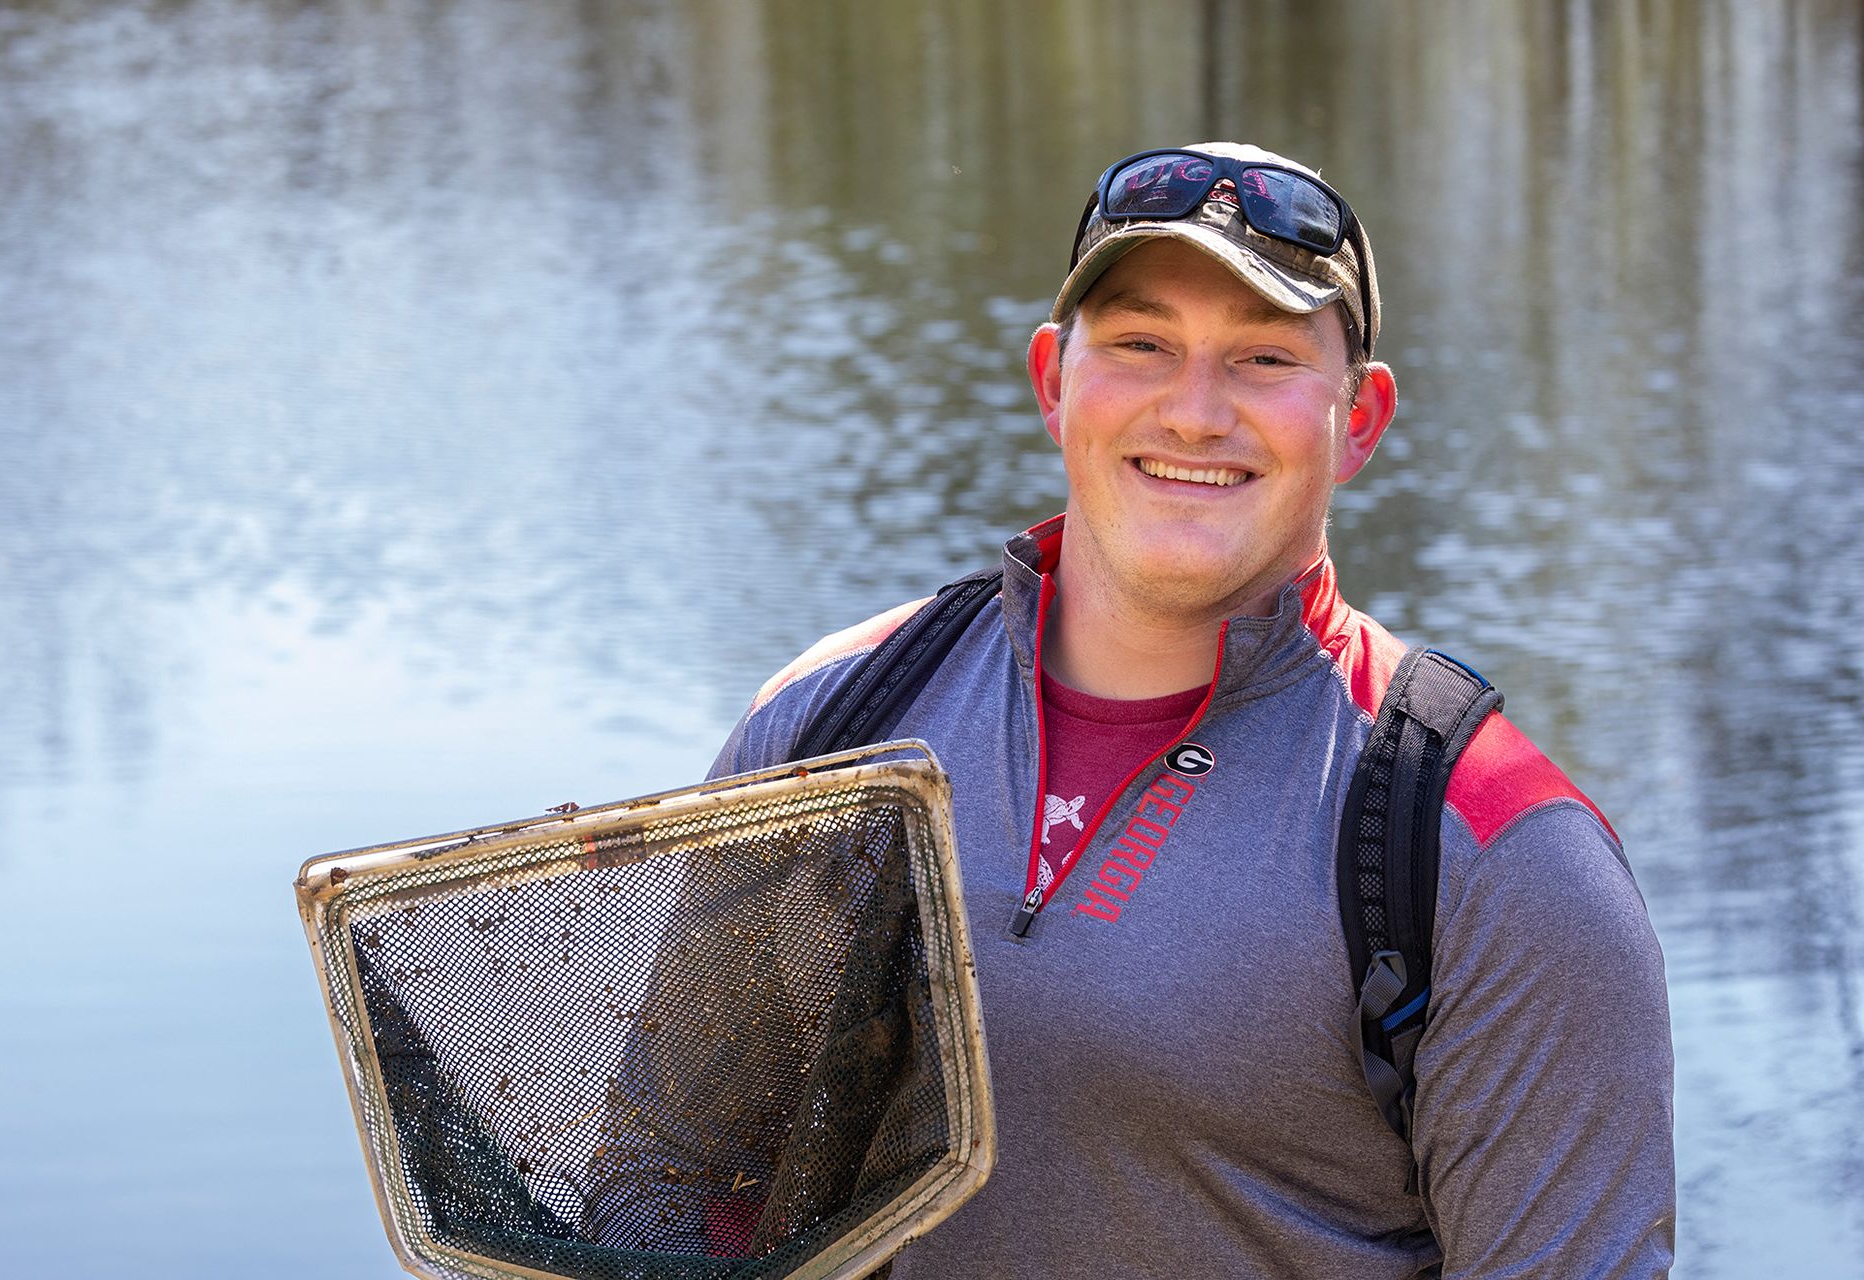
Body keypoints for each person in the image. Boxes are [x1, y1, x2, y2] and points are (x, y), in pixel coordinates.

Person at [711, 141, 1675, 1278]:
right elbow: (668, 1186)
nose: (1194, 410)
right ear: (1053, 380)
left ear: (1359, 419)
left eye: (1264, 356)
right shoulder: (829, 730)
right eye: (1141, 343)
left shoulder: (1500, 854)